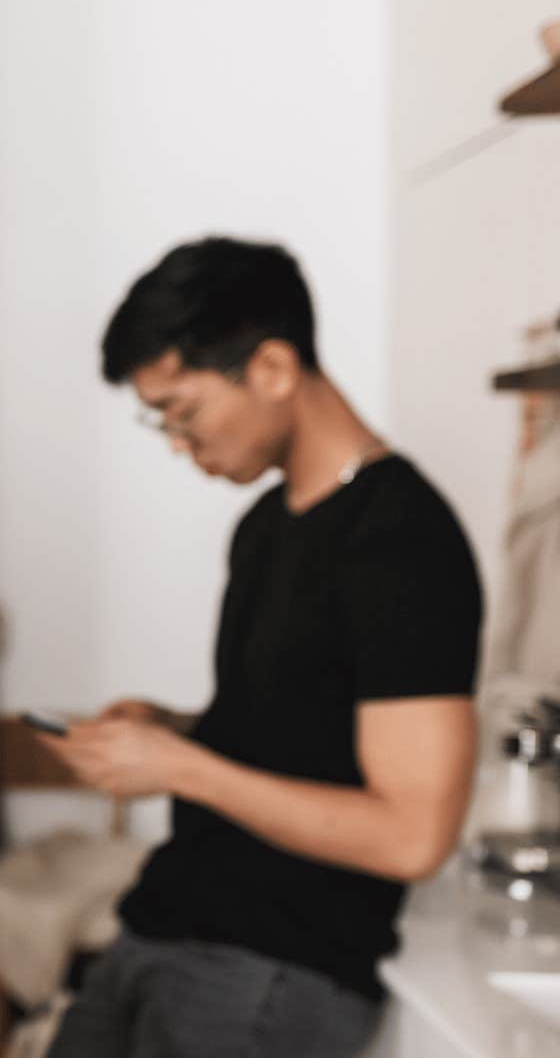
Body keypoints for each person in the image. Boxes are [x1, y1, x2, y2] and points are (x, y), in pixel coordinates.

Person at [44, 236, 482, 1057]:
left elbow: (413, 834)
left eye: (184, 412)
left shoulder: (402, 540)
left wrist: (179, 768)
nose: (179, 443)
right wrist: (172, 731)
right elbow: (301, 729)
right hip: (164, 924)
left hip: (272, 970)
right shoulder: (265, 528)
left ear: (274, 369)